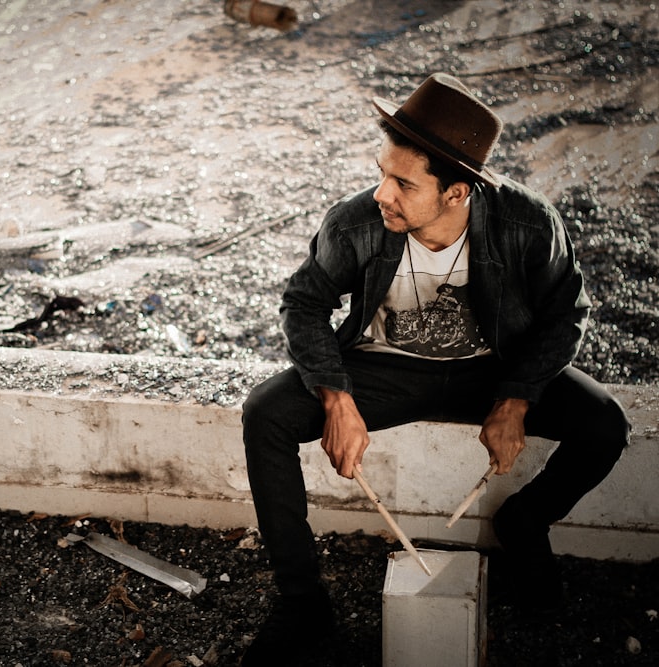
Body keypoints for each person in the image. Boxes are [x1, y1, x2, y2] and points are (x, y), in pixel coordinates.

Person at [239, 73, 629, 664]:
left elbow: (567, 311)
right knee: (264, 414)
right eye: (381, 173)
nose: (381, 194)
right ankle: (303, 601)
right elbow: (304, 303)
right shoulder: (357, 223)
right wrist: (336, 399)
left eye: (402, 183)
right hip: (385, 370)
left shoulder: (527, 223)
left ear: (457, 193)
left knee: (605, 424)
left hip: (491, 373)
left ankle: (524, 523)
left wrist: (517, 398)